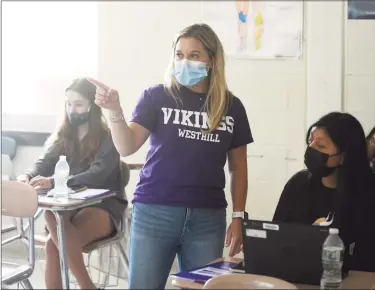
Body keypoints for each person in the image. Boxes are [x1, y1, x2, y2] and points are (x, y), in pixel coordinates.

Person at [88, 23, 253, 288]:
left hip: (207, 218)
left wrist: (238, 216)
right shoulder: (157, 96)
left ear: (211, 60)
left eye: (194, 55)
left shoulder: (231, 106)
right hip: (155, 211)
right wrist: (114, 110)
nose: (184, 61)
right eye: (179, 54)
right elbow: (126, 147)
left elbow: (239, 167)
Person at [17, 78, 127, 289]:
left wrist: (53, 181)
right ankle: (89, 286)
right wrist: (27, 177)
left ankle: (86, 286)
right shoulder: (63, 136)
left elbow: (97, 174)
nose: (71, 109)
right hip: (69, 208)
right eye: (68, 104)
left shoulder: (109, 137)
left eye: (78, 104)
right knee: (51, 221)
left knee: (52, 244)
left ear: (92, 107)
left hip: (103, 206)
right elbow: (43, 162)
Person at [273, 112, 375, 272]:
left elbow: (367, 259)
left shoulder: (367, 194)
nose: (311, 149)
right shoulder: (298, 183)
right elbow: (276, 236)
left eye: (320, 146)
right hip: (297, 274)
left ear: (344, 155)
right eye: (310, 142)